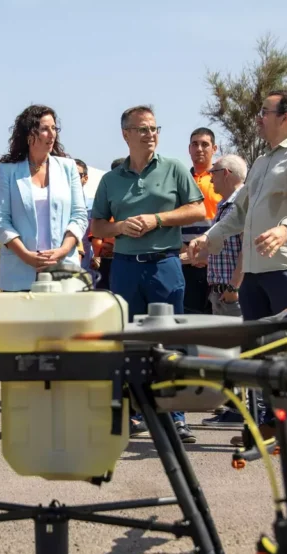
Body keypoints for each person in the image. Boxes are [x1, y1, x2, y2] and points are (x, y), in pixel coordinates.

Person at [188, 89, 287, 456]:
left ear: (285, 117)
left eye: (265, 111)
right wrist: (209, 237)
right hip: (254, 271)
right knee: (260, 354)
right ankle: (269, 425)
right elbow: (239, 213)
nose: (258, 118)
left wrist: (286, 229)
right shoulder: (263, 161)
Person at [90, 105, 206, 443]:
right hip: (125, 267)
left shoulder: (174, 168)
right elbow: (97, 225)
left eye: (154, 128)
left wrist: (158, 219)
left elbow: (198, 209)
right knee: (132, 343)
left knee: (171, 341)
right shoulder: (110, 180)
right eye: (142, 129)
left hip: (164, 265)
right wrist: (120, 227)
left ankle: (176, 416)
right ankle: (137, 412)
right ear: (126, 134)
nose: (150, 134)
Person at [0, 104, 87, 291]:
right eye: (45, 129)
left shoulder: (68, 167)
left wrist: (62, 251)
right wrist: (26, 256)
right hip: (19, 272)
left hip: (64, 270)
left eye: (54, 128)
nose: (52, 134)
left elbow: (79, 216)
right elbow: (0, 220)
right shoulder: (7, 170)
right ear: (29, 134)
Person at [197, 154, 248, 428]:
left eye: (214, 172)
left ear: (226, 173)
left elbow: (245, 249)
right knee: (226, 352)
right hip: (220, 290)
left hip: (231, 292)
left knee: (235, 353)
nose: (210, 177)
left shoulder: (240, 204)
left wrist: (233, 287)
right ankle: (232, 406)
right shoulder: (224, 206)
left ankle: (239, 411)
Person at [179, 128, 221, 315]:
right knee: (189, 318)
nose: (199, 149)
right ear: (189, 149)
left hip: (217, 262)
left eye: (205, 144)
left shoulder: (223, 179)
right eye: (195, 144)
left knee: (218, 319)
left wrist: (208, 254)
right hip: (186, 262)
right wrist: (184, 251)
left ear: (214, 148)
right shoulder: (180, 181)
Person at [88, 157, 127, 289]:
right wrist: (98, 254)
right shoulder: (106, 196)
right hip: (109, 259)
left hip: (127, 257)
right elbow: (96, 236)